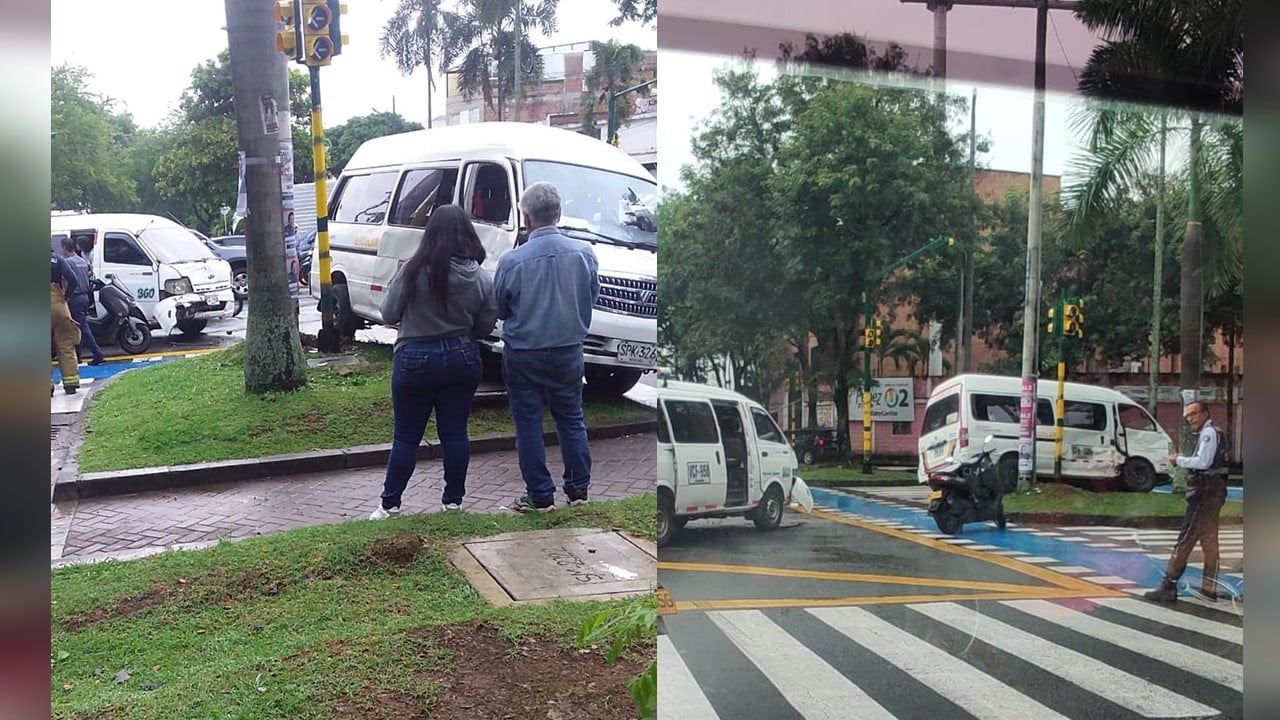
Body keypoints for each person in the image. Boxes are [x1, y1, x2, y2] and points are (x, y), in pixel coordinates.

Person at [370, 205, 498, 518]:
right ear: (467, 234)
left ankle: (390, 504)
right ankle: (453, 502)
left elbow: (388, 312)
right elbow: (485, 325)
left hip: (415, 359)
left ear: (431, 235)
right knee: (455, 434)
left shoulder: (413, 270)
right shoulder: (481, 277)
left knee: (406, 437)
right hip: (462, 357)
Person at [493, 182, 600, 513]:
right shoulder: (585, 254)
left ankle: (540, 495)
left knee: (528, 423)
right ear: (558, 213)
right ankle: (578, 489)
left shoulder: (512, 261)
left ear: (526, 219)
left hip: (524, 352)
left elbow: (500, 306)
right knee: (571, 417)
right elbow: (591, 296)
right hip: (569, 350)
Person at [1143, 400, 1230, 603]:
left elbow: (1203, 462)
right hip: (1213, 492)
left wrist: (1178, 460)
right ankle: (1209, 586)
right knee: (1209, 540)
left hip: (1204, 493)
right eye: (1188, 415)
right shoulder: (1215, 432)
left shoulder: (1208, 434)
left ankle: (1168, 585)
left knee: (1186, 538)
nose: (1190, 418)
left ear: (1205, 413)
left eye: (1194, 414)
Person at [60, 237, 105, 366]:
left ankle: (97, 354)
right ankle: (77, 355)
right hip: (85, 296)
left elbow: (66, 280)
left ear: (64, 248)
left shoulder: (67, 262)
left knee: (82, 327)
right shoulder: (82, 261)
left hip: (75, 297)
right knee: (77, 326)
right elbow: (90, 273)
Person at [51, 250, 82, 395]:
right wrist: (66, 297)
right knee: (66, 344)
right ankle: (71, 384)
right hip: (58, 304)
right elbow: (73, 279)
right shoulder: (57, 259)